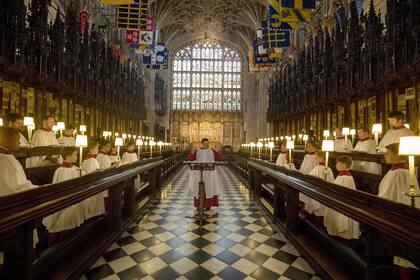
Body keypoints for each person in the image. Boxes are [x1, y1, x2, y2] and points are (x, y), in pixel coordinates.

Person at [378, 143, 419, 275]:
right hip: (393, 214)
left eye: (388, 153)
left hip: (400, 218)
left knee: (402, 255)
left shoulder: (401, 173)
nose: (385, 155)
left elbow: (395, 197)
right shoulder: (394, 170)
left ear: (397, 155)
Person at [0, 127, 39, 247]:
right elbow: (16, 188)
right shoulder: (5, 159)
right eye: (17, 139)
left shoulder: (7, 157)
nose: (20, 142)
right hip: (10, 212)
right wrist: (37, 189)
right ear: (7, 139)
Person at [42, 147, 84, 244]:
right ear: (68, 156)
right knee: (62, 224)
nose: (77, 157)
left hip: (75, 200)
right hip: (65, 202)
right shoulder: (60, 170)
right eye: (75, 155)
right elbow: (61, 189)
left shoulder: (76, 168)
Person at [324, 156, 360, 240]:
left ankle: (340, 236)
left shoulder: (345, 178)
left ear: (343, 164)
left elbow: (340, 193)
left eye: (337, 163)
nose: (336, 165)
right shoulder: (344, 175)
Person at [188, 138, 223, 210]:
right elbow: (190, 159)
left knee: (209, 188)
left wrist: (218, 151)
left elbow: (220, 158)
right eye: (205, 144)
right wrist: (192, 152)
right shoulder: (198, 151)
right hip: (199, 174)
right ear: (202, 143)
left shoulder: (212, 151)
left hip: (209, 174)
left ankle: (208, 205)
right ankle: (199, 205)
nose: (207, 145)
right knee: (198, 189)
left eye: (208, 144)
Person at [301, 151, 335, 216]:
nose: (315, 159)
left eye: (316, 158)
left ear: (322, 158)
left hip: (319, 192)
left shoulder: (319, 169)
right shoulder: (329, 169)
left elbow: (311, 179)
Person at [81, 141, 105, 220]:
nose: (98, 150)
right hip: (93, 185)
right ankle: (95, 214)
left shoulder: (86, 159)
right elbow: (95, 173)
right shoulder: (92, 160)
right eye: (97, 148)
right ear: (91, 150)